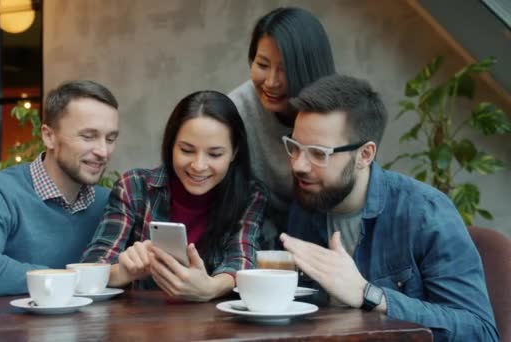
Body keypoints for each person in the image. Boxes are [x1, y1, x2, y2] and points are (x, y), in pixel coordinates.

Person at [280, 74, 499, 341]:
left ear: (365, 155)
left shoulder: (425, 213)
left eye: (318, 153)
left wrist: (368, 294)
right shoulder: (307, 201)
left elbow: (480, 332)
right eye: (294, 147)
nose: (298, 165)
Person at [82, 90, 267, 301]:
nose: (198, 166)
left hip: (217, 327)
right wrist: (125, 271)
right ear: (171, 146)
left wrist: (211, 287)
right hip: (143, 327)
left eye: (215, 154)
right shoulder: (134, 187)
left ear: (234, 152)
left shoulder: (250, 195)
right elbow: (93, 265)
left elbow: (242, 259)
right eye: (187, 150)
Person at [0, 80, 120, 298]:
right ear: (49, 136)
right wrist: (73, 279)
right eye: (88, 136)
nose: (103, 152)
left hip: (69, 331)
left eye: (111, 138)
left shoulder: (108, 204)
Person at [228, 7, 335, 248]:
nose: (271, 82)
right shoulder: (236, 110)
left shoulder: (336, 114)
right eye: (262, 64)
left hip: (324, 228)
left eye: (285, 69)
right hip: (255, 231)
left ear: (309, 68)